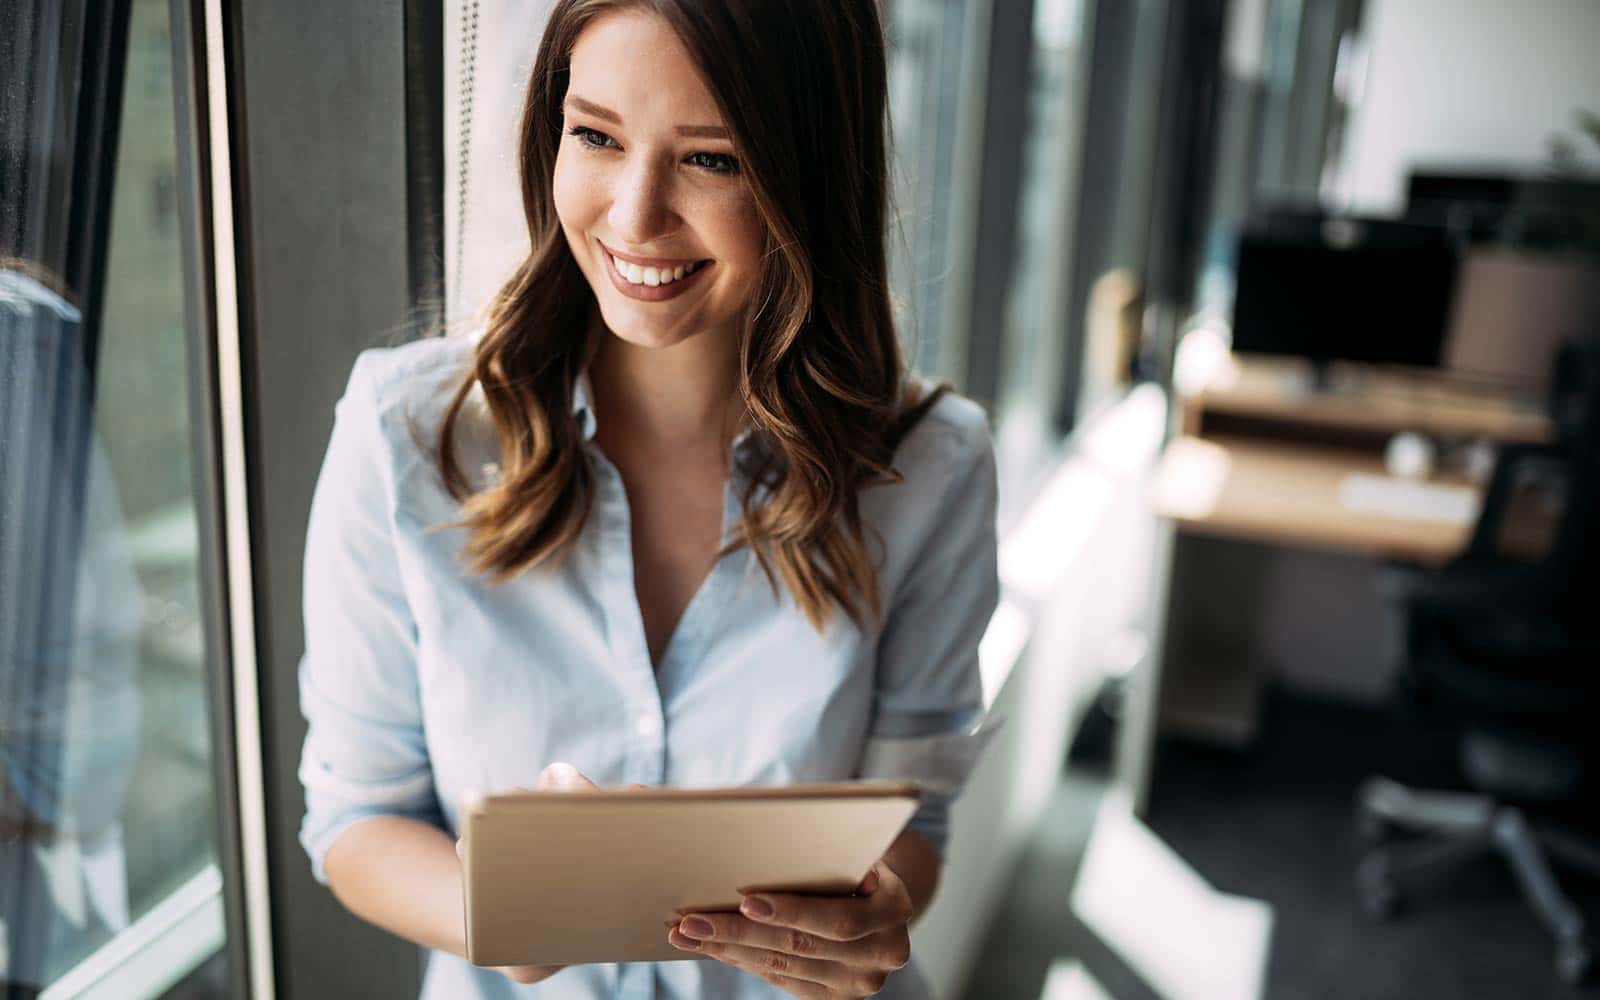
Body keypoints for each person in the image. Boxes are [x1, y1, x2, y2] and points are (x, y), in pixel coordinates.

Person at [296, 2, 999, 997]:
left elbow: (912, 829)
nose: (633, 216)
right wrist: (507, 918)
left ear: (808, 177)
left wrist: (869, 920)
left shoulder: (931, 469)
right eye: (595, 135)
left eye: (710, 159)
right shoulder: (405, 432)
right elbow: (354, 818)